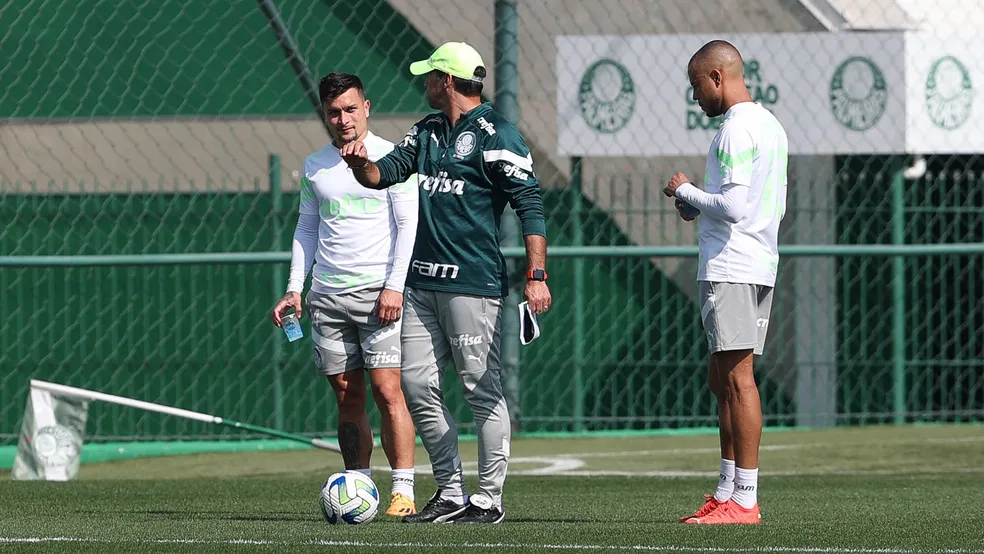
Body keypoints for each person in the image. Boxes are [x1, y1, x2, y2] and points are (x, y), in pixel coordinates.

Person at [339, 41, 552, 525]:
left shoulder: (500, 135)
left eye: (430, 76)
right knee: (416, 386)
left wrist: (537, 274)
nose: (425, 83)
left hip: (473, 285)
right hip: (420, 285)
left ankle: (490, 499)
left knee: (481, 387)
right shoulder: (427, 131)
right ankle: (451, 491)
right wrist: (359, 166)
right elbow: (385, 173)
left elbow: (530, 205)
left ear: (448, 81)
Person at [271, 72, 420, 518]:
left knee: (387, 391)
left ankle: (404, 491)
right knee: (346, 394)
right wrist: (295, 288)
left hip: (379, 295)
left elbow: (407, 226)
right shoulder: (316, 165)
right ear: (325, 114)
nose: (343, 119)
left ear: (367, 108)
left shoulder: (393, 159)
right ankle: (358, 484)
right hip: (327, 298)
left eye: (351, 109)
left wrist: (395, 286)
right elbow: (307, 227)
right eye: (334, 111)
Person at [663, 40, 788, 525]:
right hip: (755, 262)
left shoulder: (736, 129)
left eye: (697, 86)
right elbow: (746, 203)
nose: (696, 97)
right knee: (723, 380)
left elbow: (734, 208)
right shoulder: (769, 125)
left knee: (737, 381)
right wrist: (696, 203)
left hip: (732, 267)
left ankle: (746, 500)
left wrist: (684, 189)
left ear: (718, 77)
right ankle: (727, 490)